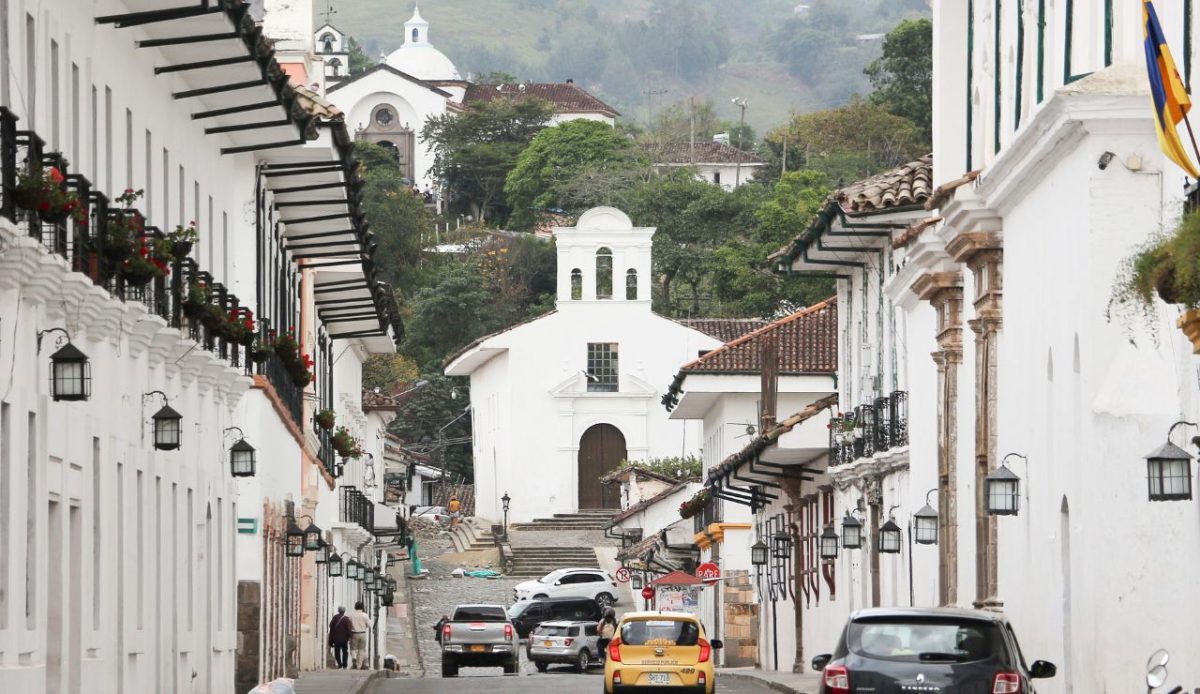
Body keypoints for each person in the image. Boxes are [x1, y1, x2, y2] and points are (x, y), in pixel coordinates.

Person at [349, 601, 373, 669]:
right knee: (361, 649)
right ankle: (359, 665)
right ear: (362, 607)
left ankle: (354, 658)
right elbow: (369, 625)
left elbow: (348, 624)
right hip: (362, 634)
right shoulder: (365, 615)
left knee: (353, 648)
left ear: (355, 607)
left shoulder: (351, 615)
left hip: (354, 634)